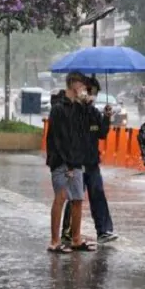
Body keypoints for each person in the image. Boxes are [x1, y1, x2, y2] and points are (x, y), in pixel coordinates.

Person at [61, 77, 118, 245]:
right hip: (76, 163)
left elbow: (101, 133)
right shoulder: (73, 110)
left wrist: (106, 117)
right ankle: (68, 231)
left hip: (92, 162)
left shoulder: (93, 112)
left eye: (95, 94)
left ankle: (104, 230)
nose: (92, 96)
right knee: (75, 198)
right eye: (90, 92)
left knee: (98, 194)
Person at [46, 71, 97, 254]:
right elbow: (59, 138)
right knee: (60, 198)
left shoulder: (78, 107)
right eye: (81, 85)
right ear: (73, 84)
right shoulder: (59, 107)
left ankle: (76, 238)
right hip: (62, 161)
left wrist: (88, 106)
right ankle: (54, 241)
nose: (84, 89)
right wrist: (66, 163)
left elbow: (88, 128)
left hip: (76, 161)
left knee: (77, 199)